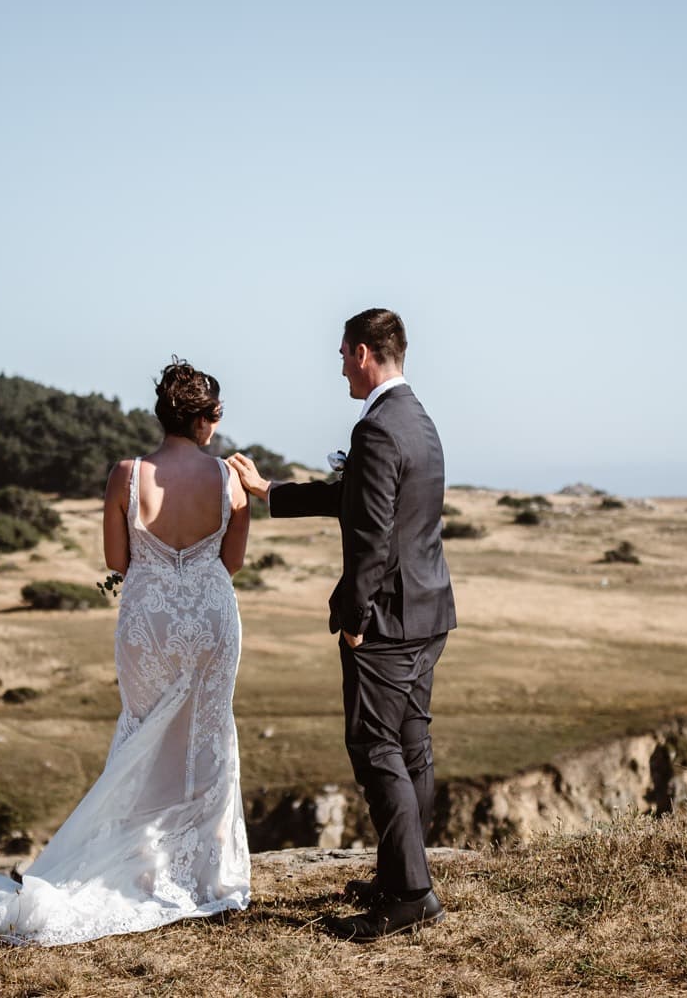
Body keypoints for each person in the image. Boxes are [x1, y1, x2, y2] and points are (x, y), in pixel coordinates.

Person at [0, 359, 252, 945]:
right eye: (215, 416)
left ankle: (140, 862)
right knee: (208, 733)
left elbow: (119, 562)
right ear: (205, 418)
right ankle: (206, 874)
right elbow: (231, 564)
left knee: (143, 731)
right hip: (213, 621)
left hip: (150, 624)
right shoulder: (229, 478)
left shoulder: (126, 474)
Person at [228, 307, 457, 941]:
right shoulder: (419, 421)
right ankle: (398, 875)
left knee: (374, 746)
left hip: (387, 620)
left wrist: (354, 617)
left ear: (362, 353)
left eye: (341, 355)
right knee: (412, 747)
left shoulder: (379, 428)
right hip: (429, 611)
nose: (339, 368)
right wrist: (271, 492)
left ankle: (410, 894)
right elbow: (353, 498)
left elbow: (372, 537)